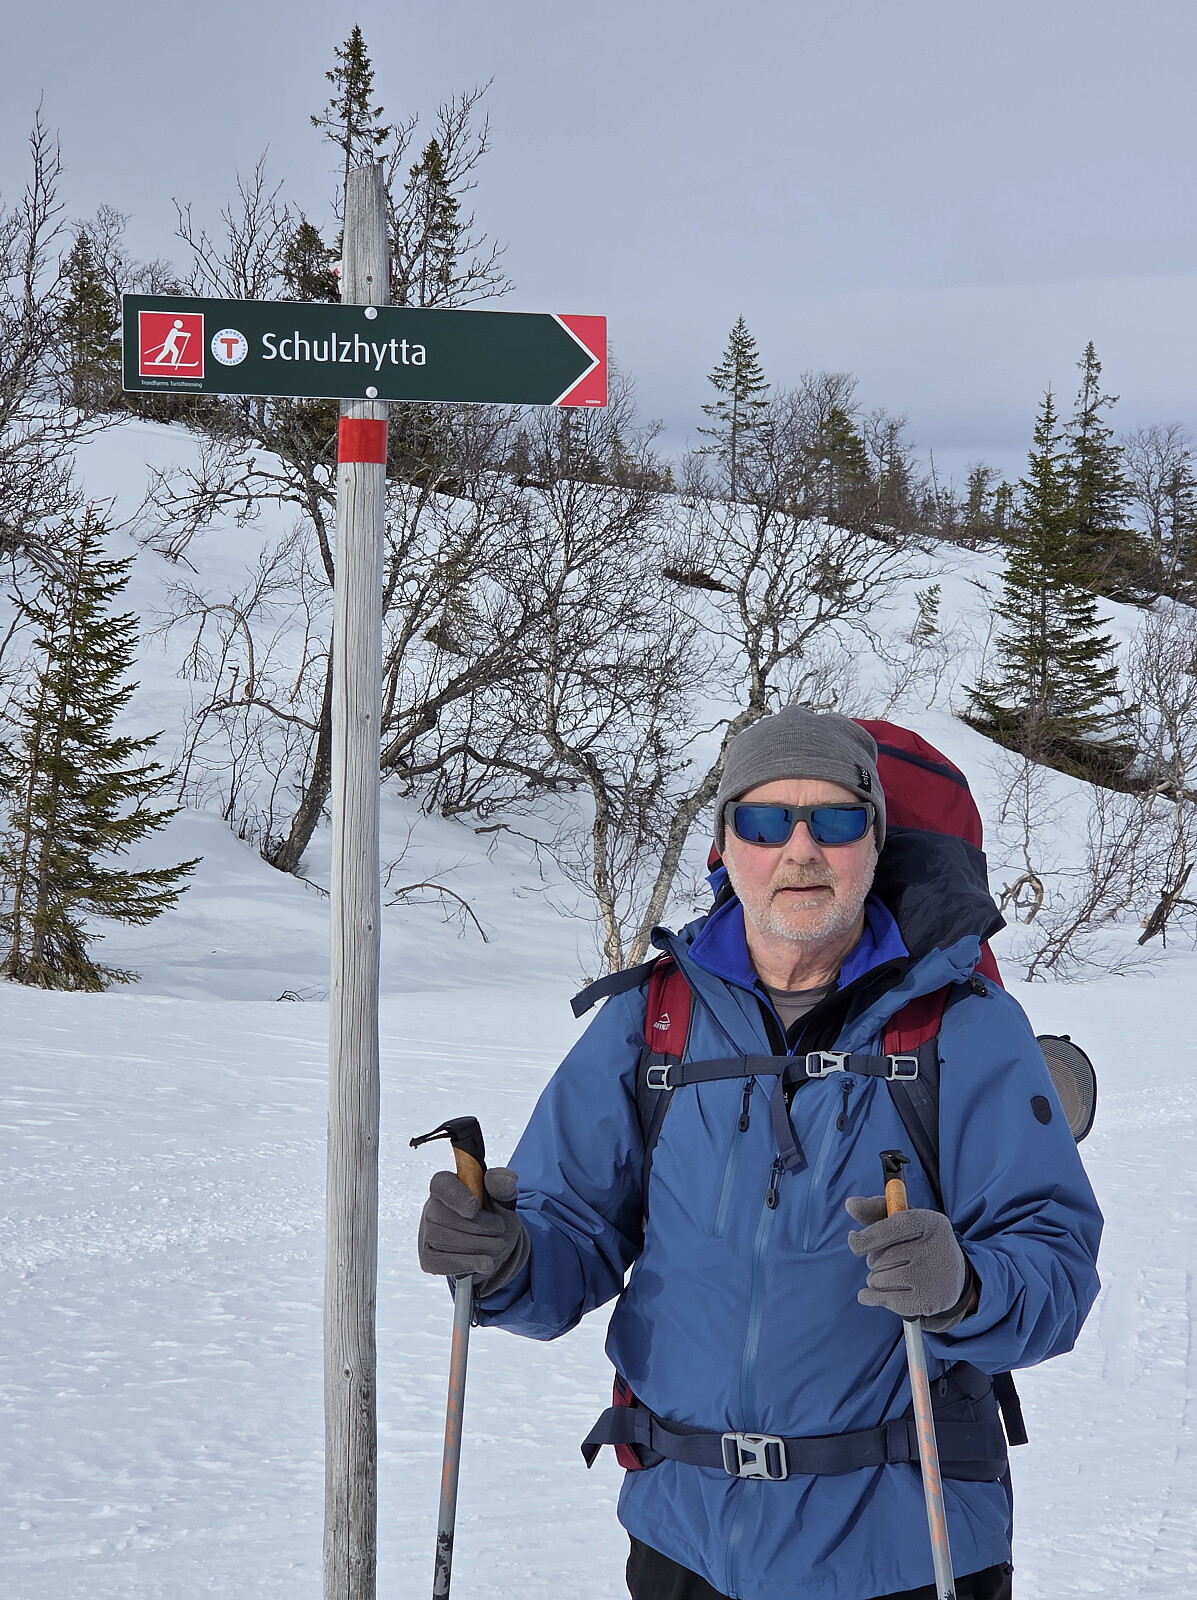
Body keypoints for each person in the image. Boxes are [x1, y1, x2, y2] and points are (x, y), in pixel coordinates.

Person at [417, 707, 1102, 1600]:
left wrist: (964, 1286)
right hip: (683, 1543)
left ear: (874, 840)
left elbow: (1053, 1264)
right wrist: (504, 1257)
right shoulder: (652, 1020)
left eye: (836, 820)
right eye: (766, 820)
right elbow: (570, 1228)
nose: (800, 849)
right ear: (726, 842)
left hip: (906, 1549)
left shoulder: (962, 1026)